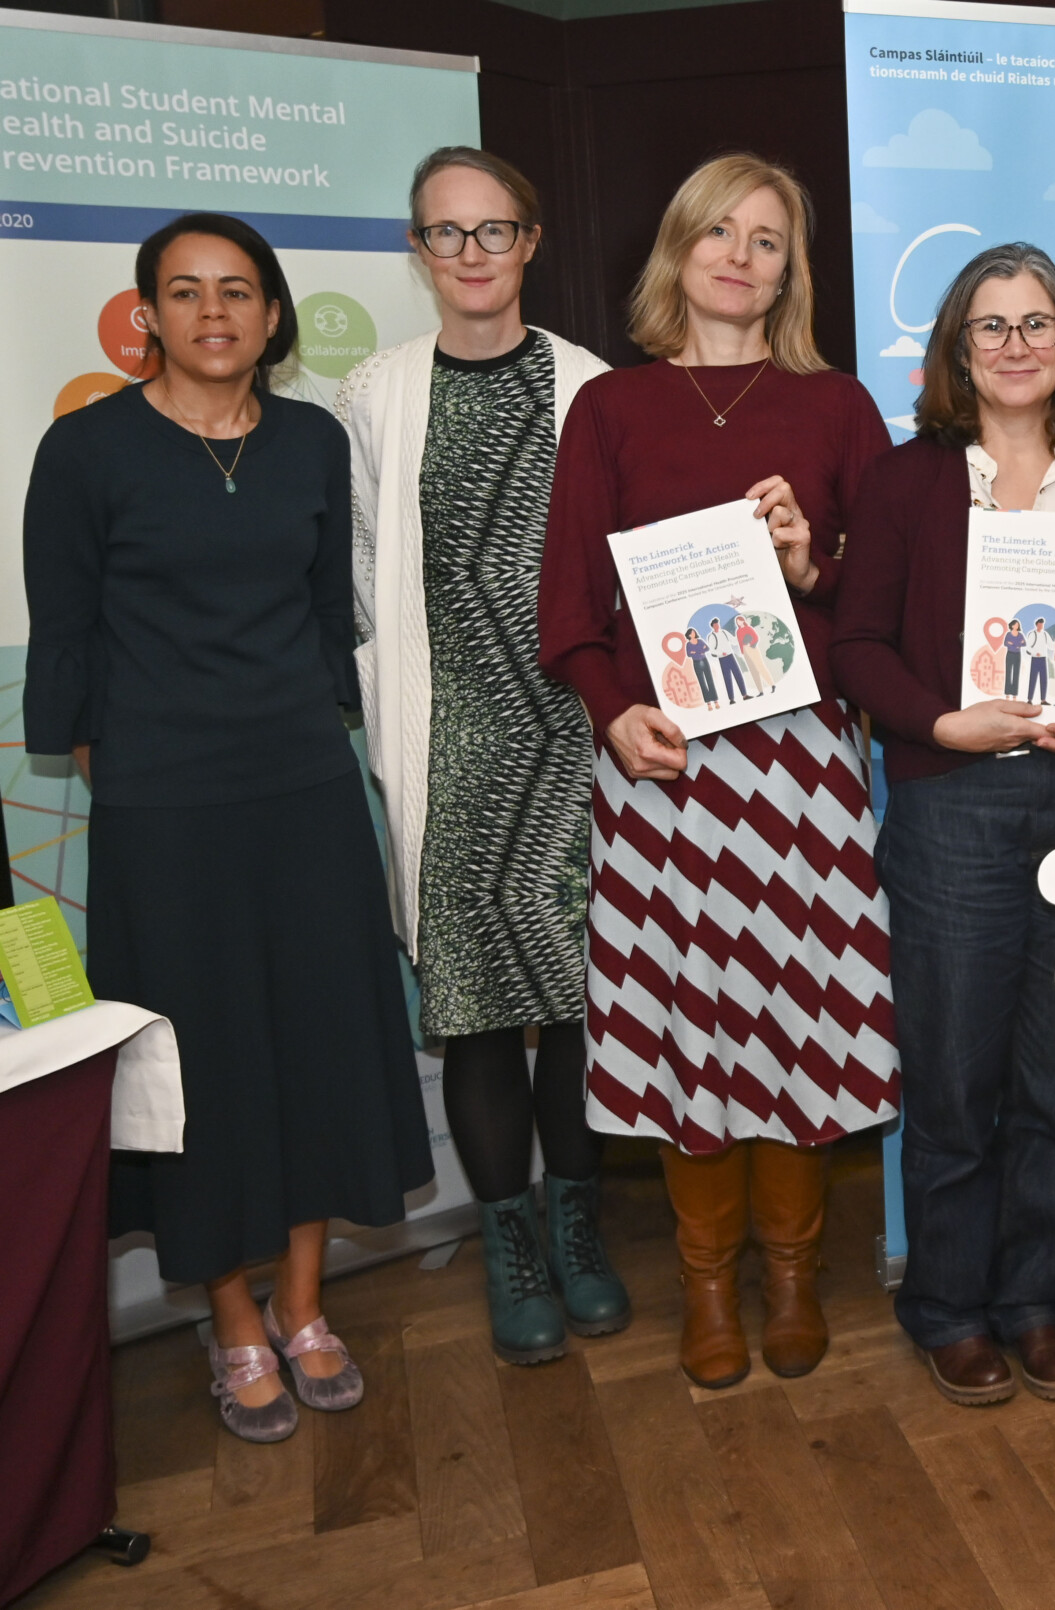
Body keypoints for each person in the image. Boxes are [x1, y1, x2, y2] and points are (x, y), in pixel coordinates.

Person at [24, 213, 431, 1442]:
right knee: (198, 1066)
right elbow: (68, 635)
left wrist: (308, 729)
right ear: (148, 313)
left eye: (239, 290)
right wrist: (140, 771)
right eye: (188, 291)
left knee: (317, 1044)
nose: (215, 312)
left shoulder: (310, 440)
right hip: (163, 811)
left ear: (272, 313)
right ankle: (233, 1314)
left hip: (305, 790)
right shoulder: (86, 448)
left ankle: (302, 1301)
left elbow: (326, 618)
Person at [539, 153, 897, 1391]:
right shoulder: (612, 407)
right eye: (719, 232)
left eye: (768, 240)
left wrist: (809, 564)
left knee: (798, 1015)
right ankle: (706, 1279)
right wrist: (613, 717)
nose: (741, 257)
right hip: (664, 766)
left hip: (801, 770)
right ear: (678, 249)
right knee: (692, 1023)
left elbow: (886, 602)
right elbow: (567, 606)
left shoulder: (837, 405)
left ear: (791, 271)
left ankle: (792, 1269)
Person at [837, 241, 1055, 1407]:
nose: (1017, 344)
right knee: (952, 1079)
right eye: (993, 325)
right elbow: (856, 645)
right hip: (950, 806)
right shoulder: (905, 481)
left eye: (1039, 324)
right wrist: (943, 720)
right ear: (958, 348)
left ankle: (1033, 1299)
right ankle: (946, 1306)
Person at [337, 147, 626, 1365]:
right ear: (417, 249)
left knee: (577, 1006)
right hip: (451, 740)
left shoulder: (591, 384)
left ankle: (579, 1228)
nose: (470, 253)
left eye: (492, 229)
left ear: (530, 240)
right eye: (445, 232)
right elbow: (362, 572)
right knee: (475, 1016)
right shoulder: (376, 391)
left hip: (574, 736)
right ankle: (509, 1243)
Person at [735, 613, 772, 694]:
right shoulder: (738, 631)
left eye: (740, 621)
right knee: (753, 670)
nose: (739, 622)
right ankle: (760, 691)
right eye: (737, 622)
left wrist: (751, 644)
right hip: (745, 650)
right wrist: (742, 651)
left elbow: (756, 637)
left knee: (760, 666)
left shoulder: (748, 628)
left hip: (753, 648)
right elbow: (739, 642)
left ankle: (771, 684)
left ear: (743, 621)